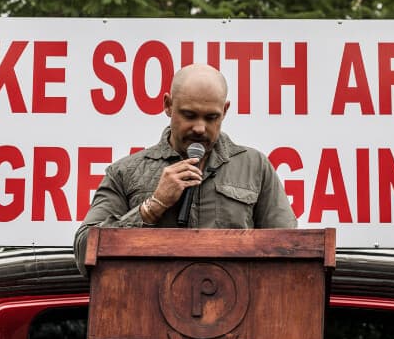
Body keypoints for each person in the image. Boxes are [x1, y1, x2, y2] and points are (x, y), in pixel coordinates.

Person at [74, 63, 297, 269]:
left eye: (211, 118)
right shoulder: (126, 172)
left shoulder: (254, 167)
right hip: (149, 307)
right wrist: (152, 208)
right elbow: (84, 251)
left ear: (225, 111)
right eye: (189, 115)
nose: (200, 128)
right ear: (168, 105)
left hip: (236, 307)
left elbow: (291, 251)